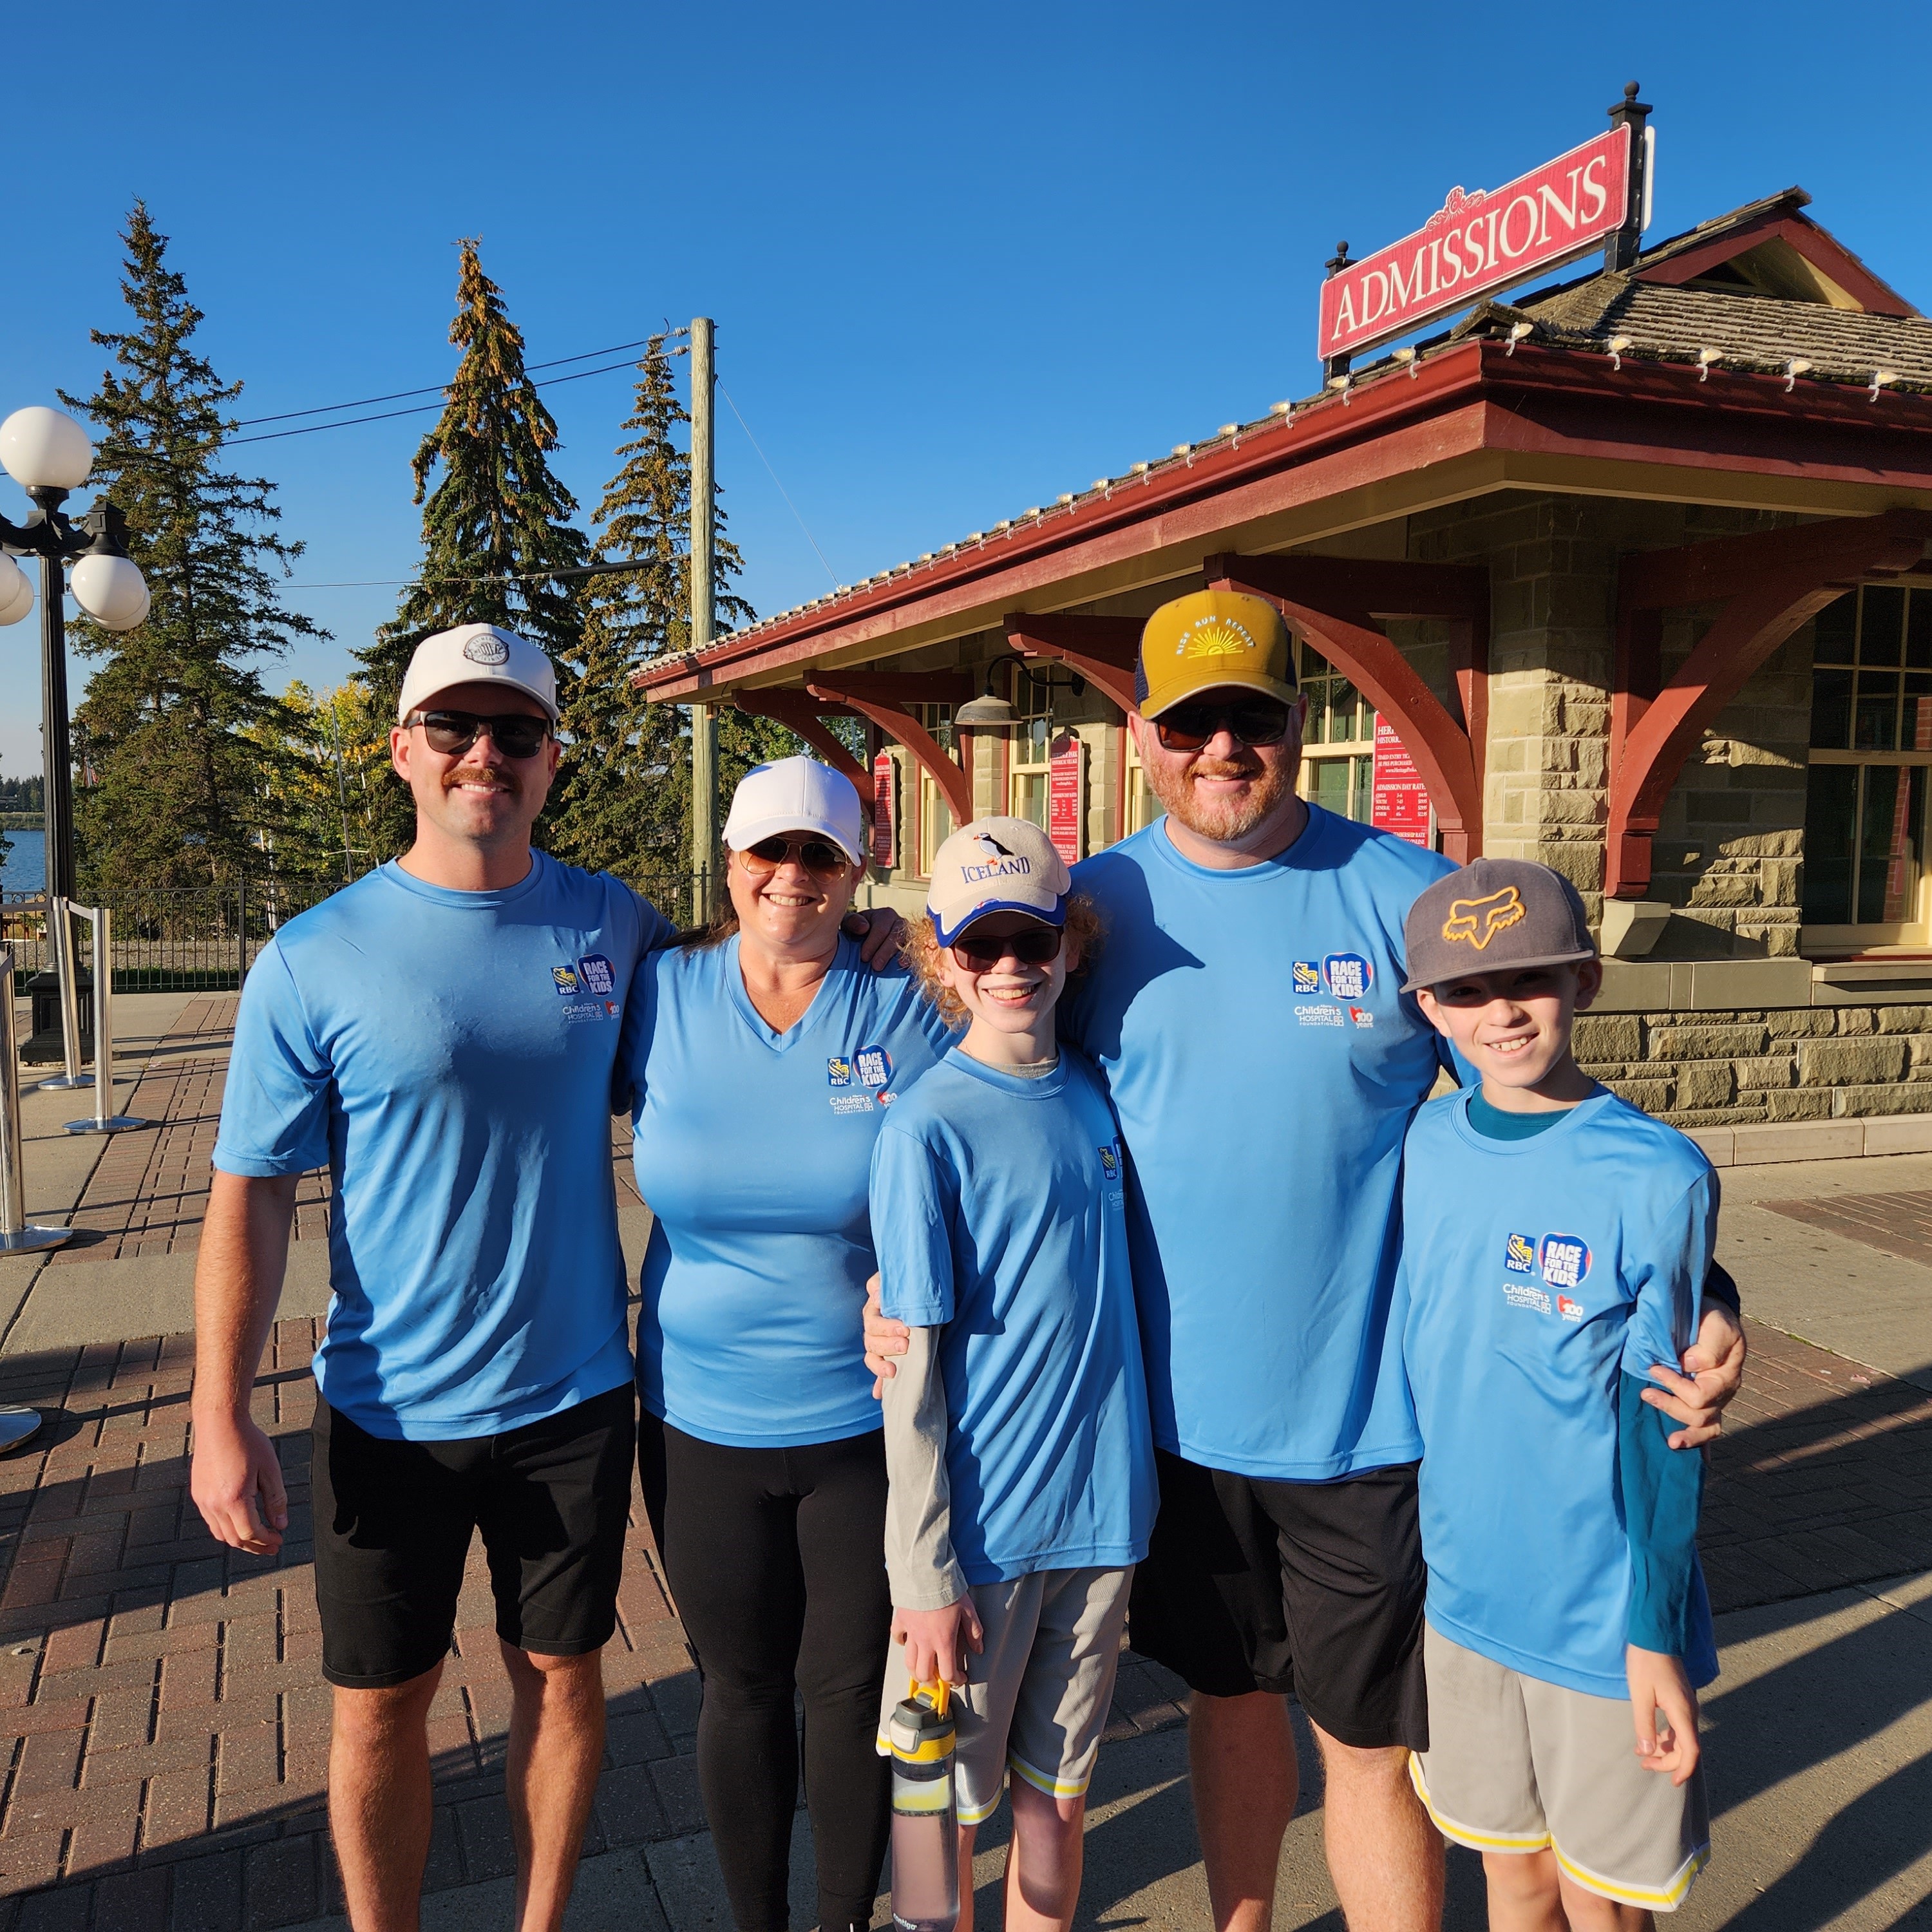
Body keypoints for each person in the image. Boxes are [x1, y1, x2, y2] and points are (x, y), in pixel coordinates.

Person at [868, 588, 1747, 1932]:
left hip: (1363, 1431)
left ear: (1296, 722)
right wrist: (888, 1284)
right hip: (1152, 1437)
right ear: (1144, 732)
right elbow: (979, 1113)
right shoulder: (1093, 906)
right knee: (1156, 1727)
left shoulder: (1402, 897)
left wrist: (1704, 1295)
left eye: (1253, 720)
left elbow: (1541, 1116)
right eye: (1192, 724)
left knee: (1355, 1748)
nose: (1224, 749)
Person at [189, 625, 900, 1932]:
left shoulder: (613, 926)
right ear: (402, 750)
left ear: (552, 758)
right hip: (384, 1403)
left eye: (515, 733)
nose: (484, 758)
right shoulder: (312, 954)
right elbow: (252, 1195)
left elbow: (754, 1010)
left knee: (563, 1684)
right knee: (382, 1705)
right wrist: (218, 1412)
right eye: (453, 729)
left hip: (572, 1398)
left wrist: (888, 949)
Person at [621, 755, 954, 1932]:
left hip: (862, 1419)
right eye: (772, 851)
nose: (794, 877)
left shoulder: (907, 999)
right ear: (731, 866)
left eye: (823, 855)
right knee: (739, 1688)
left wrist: (917, 930)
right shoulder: (657, 993)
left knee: (848, 1687)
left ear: (857, 870)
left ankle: (842, 1921)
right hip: (698, 1415)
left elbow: (1011, 1080)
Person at [1399, 858, 1718, 1927]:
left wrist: (1654, 1633)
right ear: (1428, 1008)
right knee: (1512, 1875)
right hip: (1464, 1596)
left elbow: (1666, 1428)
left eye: (1530, 980)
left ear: (1584, 980)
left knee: (1604, 1901)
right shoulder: (1424, 1144)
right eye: (1469, 991)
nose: (1502, 1012)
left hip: (1597, 1616)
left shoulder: (1655, 1173)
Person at [871, 819, 1155, 1932]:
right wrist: (924, 1571)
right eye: (980, 946)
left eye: (1030, 943)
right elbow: (912, 1376)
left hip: (1101, 1519)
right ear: (945, 958)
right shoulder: (926, 1128)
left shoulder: (1096, 1093)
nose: (1008, 969)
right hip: (973, 1549)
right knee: (934, 1814)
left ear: (1070, 949)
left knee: (1055, 1805)